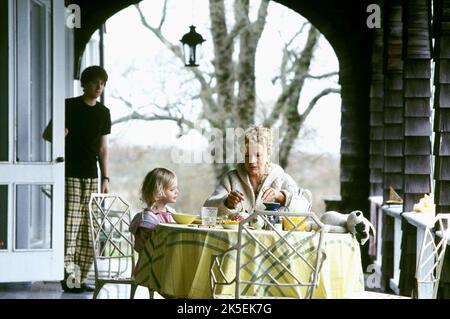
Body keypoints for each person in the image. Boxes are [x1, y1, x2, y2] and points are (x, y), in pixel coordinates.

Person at [43, 66, 111, 293]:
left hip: (92, 175)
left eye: (102, 83)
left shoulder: (104, 112)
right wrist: (59, 135)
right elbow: (47, 134)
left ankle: (81, 277)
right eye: (95, 83)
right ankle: (69, 278)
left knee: (88, 228)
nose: (99, 87)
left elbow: (103, 149)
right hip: (69, 172)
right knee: (70, 226)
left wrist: (106, 177)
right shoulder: (68, 105)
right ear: (85, 83)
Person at [204, 125, 309, 217]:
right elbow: (207, 208)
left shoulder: (282, 179)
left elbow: (305, 209)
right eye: (247, 155)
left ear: (268, 154)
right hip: (237, 238)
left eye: (258, 155)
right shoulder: (231, 179)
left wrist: (281, 196)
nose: (252, 161)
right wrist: (227, 203)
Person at [129, 168, 178, 254]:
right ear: (158, 191)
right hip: (151, 263)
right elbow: (140, 247)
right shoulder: (147, 218)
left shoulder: (172, 212)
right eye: (172, 189)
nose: (176, 192)